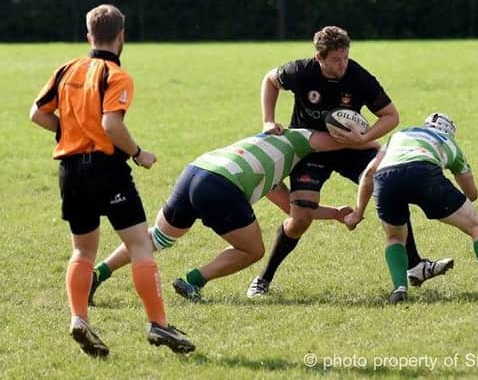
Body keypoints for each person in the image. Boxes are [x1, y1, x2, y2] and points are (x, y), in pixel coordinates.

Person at [29, 4, 195, 357]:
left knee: (82, 251)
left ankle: (79, 318)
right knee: (140, 245)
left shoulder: (66, 69)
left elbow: (37, 113)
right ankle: (158, 324)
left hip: (70, 172)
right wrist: (139, 153)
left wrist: (67, 130)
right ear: (122, 36)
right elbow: (111, 126)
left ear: (89, 35)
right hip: (107, 170)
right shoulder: (116, 75)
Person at [246, 25, 454, 298]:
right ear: (320, 57)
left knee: (389, 184)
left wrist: (363, 138)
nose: (342, 64)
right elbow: (270, 80)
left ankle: (414, 265)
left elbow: (391, 116)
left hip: (351, 147)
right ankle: (263, 279)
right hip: (310, 150)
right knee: (301, 217)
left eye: (345, 57)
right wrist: (268, 119)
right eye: (336, 59)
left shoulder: (358, 76)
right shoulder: (301, 71)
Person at [88, 129, 378, 304]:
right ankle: (192, 281)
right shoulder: (299, 138)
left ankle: (97, 273)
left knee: (156, 237)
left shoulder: (269, 157)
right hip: (219, 184)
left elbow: (292, 208)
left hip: (195, 171)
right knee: (253, 250)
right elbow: (338, 140)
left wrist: (337, 214)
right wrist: (374, 142)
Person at [344, 113, 478, 303]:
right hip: (423, 172)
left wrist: (358, 213)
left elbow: (370, 172)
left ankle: (399, 289)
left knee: (395, 237)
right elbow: (472, 194)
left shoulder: (400, 135)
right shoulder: (450, 143)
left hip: (385, 178)